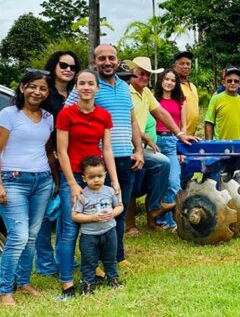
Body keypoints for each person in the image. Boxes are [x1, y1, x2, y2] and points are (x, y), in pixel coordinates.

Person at [65, 45, 142, 271]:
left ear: (117, 60)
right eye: (102, 59)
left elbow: (133, 121)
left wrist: (138, 149)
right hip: (98, 164)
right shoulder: (88, 86)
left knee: (118, 207)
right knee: (95, 211)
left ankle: (117, 255)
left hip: (124, 158)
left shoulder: (123, 86)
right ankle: (95, 260)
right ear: (94, 61)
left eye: (111, 58)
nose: (107, 62)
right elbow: (70, 116)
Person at [0, 71, 55, 306]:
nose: (37, 92)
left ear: (47, 92)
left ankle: (23, 282)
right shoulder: (8, 115)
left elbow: (48, 151)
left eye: (42, 88)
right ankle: (4, 290)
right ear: (22, 88)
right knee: (18, 236)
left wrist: (56, 182)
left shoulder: (48, 118)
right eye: (32, 87)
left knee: (32, 236)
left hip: (42, 180)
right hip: (12, 180)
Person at [125, 57, 194, 230]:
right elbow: (124, 123)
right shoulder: (125, 91)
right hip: (125, 144)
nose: (145, 78)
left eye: (147, 75)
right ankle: (130, 224)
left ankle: (155, 210)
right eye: (141, 74)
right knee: (131, 180)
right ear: (131, 74)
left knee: (162, 165)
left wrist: (179, 134)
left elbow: (161, 113)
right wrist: (145, 137)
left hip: (143, 145)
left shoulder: (146, 93)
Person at [35, 51, 81, 278]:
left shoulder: (76, 93)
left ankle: (66, 258)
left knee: (65, 212)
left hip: (68, 159)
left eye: (73, 67)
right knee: (43, 215)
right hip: (44, 157)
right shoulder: (44, 92)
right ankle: (45, 264)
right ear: (54, 66)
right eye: (63, 65)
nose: (68, 70)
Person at [71, 156, 124, 294]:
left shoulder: (110, 191)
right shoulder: (82, 195)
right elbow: (75, 215)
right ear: (84, 178)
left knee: (110, 258)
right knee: (89, 261)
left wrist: (113, 213)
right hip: (89, 235)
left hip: (109, 231)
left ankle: (113, 279)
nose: (96, 180)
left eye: (100, 176)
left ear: (105, 175)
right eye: (91, 177)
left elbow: (120, 206)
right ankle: (88, 284)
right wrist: (92, 217)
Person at [153, 69, 187, 231]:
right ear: (161, 81)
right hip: (156, 141)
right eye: (166, 79)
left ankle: (175, 219)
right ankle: (162, 220)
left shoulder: (180, 100)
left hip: (173, 141)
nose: (169, 82)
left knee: (174, 181)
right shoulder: (153, 100)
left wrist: (181, 149)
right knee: (162, 182)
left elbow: (183, 126)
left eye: (173, 80)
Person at [205, 67, 240, 141]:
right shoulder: (216, 99)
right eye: (229, 81)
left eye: (236, 81)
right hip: (221, 145)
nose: (233, 83)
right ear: (224, 83)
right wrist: (209, 144)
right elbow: (209, 122)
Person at [172, 52, 199, 135]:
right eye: (182, 64)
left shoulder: (193, 87)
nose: (186, 66)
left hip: (191, 135)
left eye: (188, 64)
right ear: (174, 66)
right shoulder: (173, 86)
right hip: (177, 136)